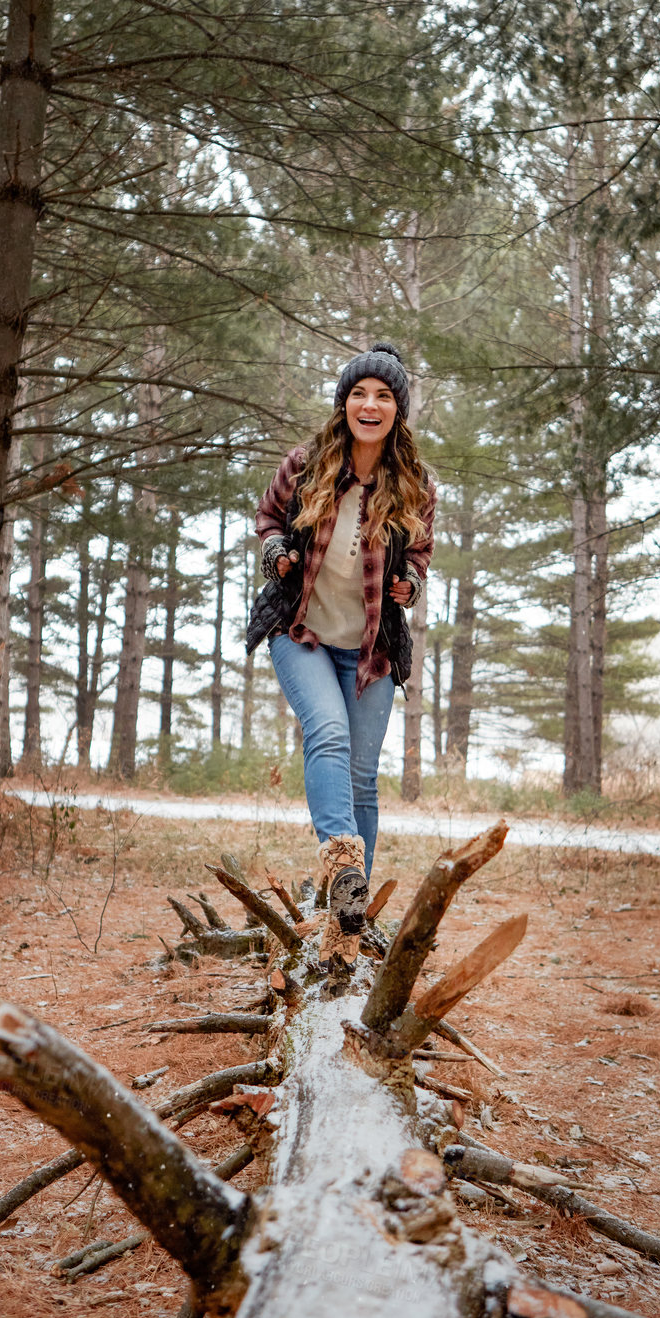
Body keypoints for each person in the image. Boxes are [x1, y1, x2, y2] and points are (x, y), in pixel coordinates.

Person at [248, 341, 436, 963]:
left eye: (383, 396)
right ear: (344, 403)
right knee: (325, 732)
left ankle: (347, 923)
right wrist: (277, 552)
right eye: (360, 393)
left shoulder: (414, 484)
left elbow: (419, 555)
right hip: (299, 630)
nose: (370, 404)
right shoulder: (305, 465)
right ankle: (342, 869)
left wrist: (409, 581)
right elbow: (268, 517)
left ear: (397, 411)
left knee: (361, 777)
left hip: (371, 647)